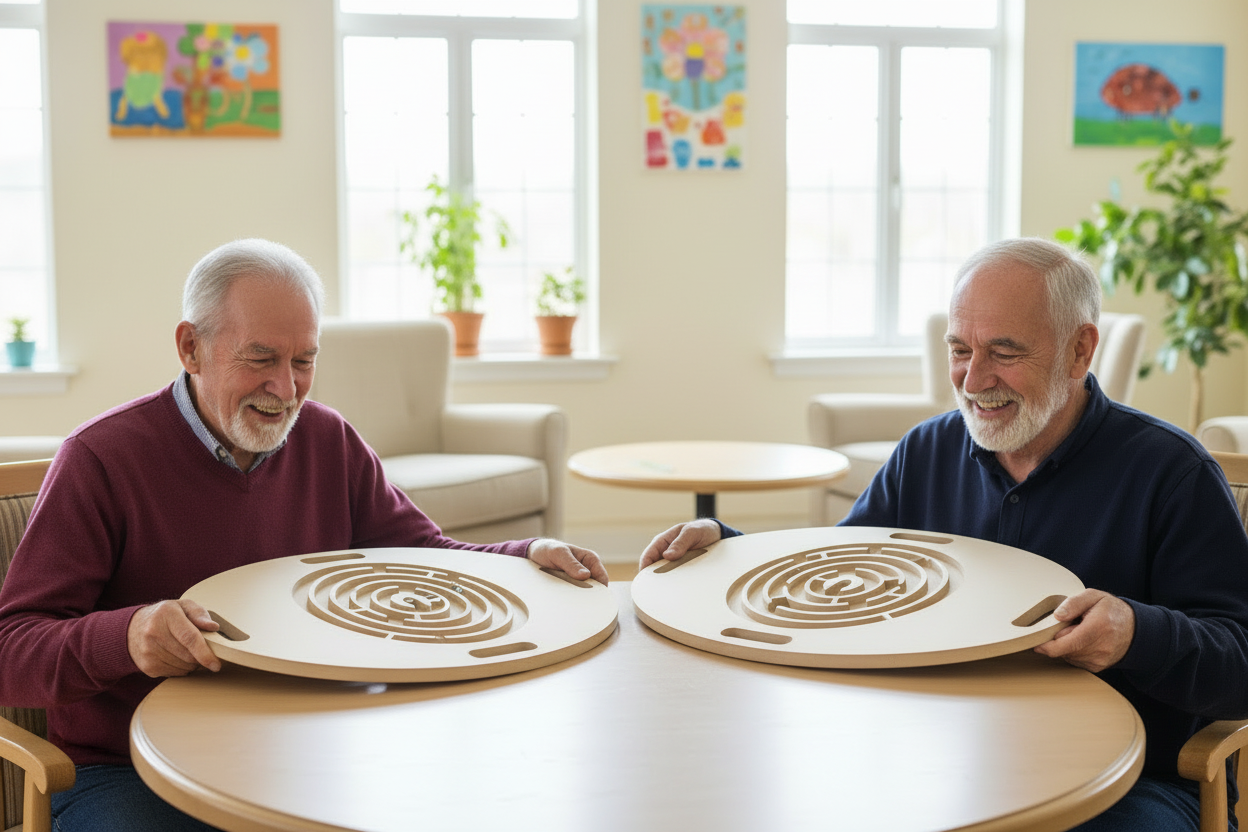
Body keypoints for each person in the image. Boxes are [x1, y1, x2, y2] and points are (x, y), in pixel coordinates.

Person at [0, 238, 608, 832]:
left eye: (304, 361)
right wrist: (128, 636)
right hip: (130, 770)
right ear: (191, 347)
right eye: (261, 359)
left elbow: (424, 555)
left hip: (307, 745)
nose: (287, 390)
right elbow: (12, 649)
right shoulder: (101, 458)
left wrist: (526, 555)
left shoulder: (328, 439)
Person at [642, 238, 1248, 831]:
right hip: (940, 763)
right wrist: (724, 548)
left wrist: (1135, 635)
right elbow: (834, 582)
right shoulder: (926, 451)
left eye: (1004, 352)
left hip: (1130, 783)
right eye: (960, 349)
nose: (973, 379)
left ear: (1079, 350)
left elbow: (1239, 666)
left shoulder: (1172, 473)